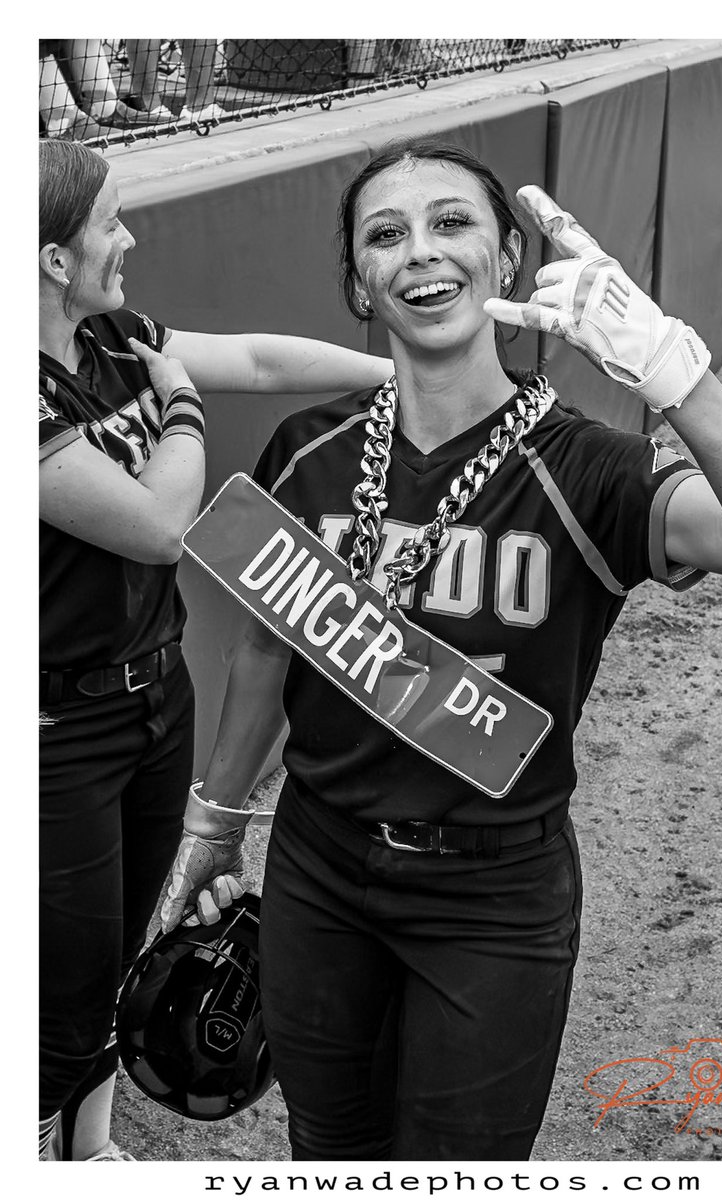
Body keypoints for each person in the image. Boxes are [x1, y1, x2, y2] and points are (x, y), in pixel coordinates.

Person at [161, 137, 722, 1160]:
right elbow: (264, 651)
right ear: (357, 284)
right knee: (327, 1147)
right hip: (317, 866)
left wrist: (672, 374)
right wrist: (213, 830)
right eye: (383, 236)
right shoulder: (307, 447)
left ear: (508, 262)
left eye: (451, 223)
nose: (418, 253)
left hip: (493, 896)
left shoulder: (591, 468)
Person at [38, 138, 392, 1162]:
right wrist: (183, 405)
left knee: (123, 955)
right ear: (57, 258)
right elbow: (158, 525)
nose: (128, 237)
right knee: (60, 987)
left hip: (151, 697)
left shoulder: (112, 343)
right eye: (110, 221)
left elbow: (264, 359)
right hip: (55, 727)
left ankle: (90, 1150)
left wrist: (409, 372)